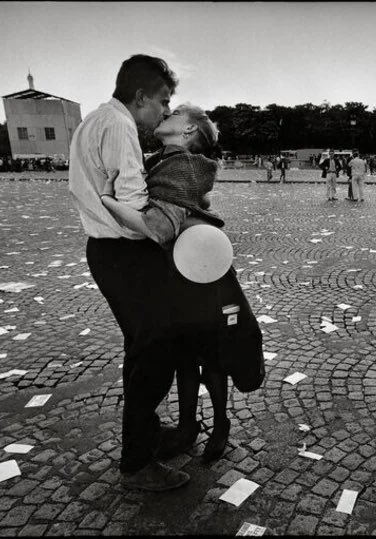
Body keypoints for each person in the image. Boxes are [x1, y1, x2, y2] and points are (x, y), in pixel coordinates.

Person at [68, 54, 190, 492]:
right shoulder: (119, 126)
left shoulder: (93, 120)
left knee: (143, 350)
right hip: (127, 254)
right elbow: (134, 203)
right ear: (139, 97)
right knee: (157, 352)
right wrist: (175, 220)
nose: (164, 110)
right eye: (161, 101)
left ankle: (147, 436)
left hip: (104, 252)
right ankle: (137, 463)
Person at [99, 103, 238, 464]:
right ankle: (188, 426)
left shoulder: (187, 166)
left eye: (175, 113)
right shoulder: (160, 158)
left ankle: (219, 424)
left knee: (212, 353)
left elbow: (160, 227)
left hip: (201, 270)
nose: (166, 114)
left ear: (189, 131)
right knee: (182, 354)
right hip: (175, 271)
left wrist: (105, 200)